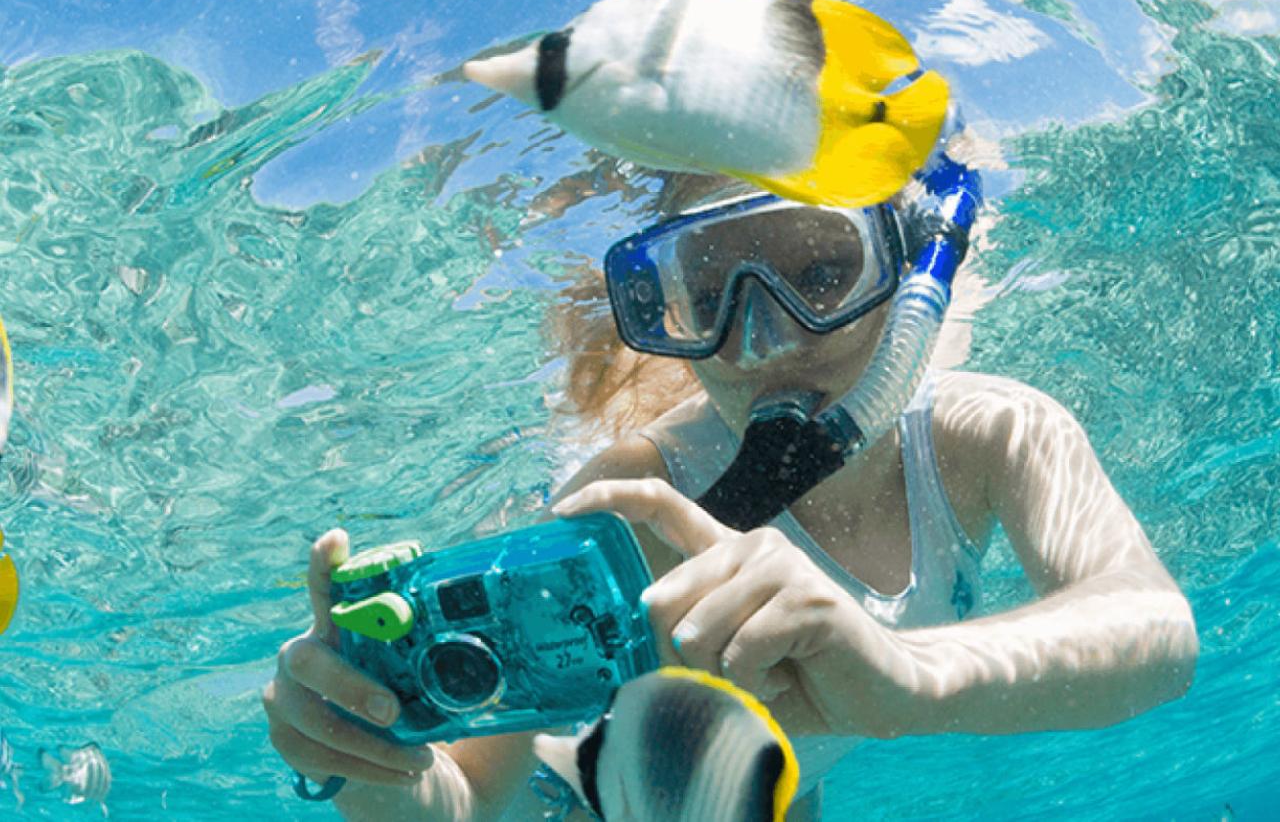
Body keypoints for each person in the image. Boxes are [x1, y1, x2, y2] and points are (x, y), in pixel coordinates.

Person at [261, 135, 1200, 819]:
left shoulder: (994, 431)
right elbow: (460, 801)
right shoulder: (636, 496)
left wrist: (905, 676)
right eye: (711, 298)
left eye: (823, 271)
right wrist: (375, 758)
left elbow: (1155, 629)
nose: (762, 342)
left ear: (911, 273)